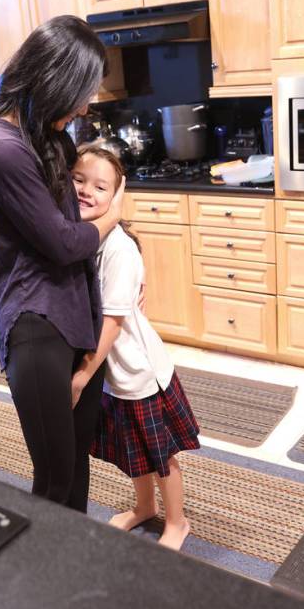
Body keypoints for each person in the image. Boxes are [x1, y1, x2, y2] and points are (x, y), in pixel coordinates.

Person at [0, 16, 125, 512]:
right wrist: (113, 218)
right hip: (35, 327)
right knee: (54, 480)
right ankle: (44, 580)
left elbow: (72, 226)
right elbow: (64, 241)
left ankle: (75, 570)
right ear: (54, 78)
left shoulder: (49, 137)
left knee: (78, 460)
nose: (84, 107)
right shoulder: (1, 150)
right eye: (80, 94)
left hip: (75, 314)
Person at [70, 145, 201, 550]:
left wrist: (84, 374)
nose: (86, 191)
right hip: (114, 373)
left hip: (140, 372)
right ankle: (145, 507)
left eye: (100, 186)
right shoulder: (82, 239)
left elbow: (114, 319)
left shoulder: (118, 248)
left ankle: (177, 521)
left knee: (161, 455)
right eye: (79, 180)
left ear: (117, 197)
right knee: (134, 449)